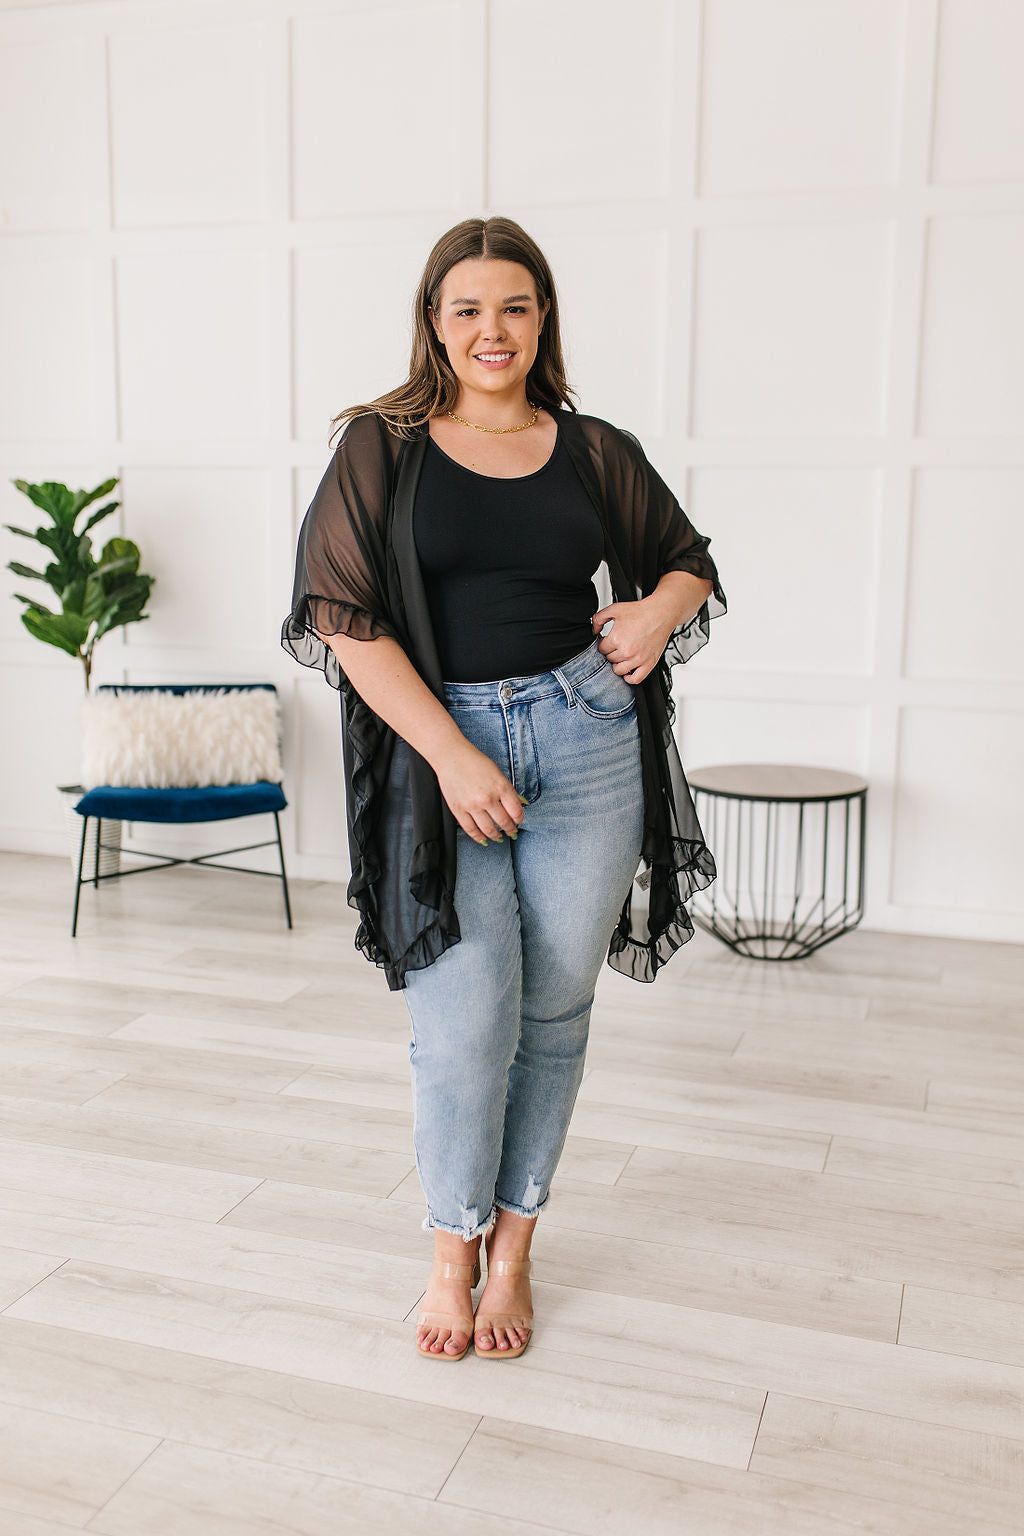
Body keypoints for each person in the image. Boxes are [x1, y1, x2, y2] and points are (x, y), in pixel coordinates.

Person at [281, 216, 727, 1362]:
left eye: (514, 307)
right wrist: (451, 753)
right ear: (434, 322)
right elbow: (343, 618)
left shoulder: (592, 449)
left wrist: (654, 613)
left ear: (542, 320)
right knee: (463, 1023)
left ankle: (515, 1246)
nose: (493, 329)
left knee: (554, 1012)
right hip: (447, 754)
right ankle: (451, 1251)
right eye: (468, 308)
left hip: (588, 739)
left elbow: (688, 561)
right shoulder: (381, 446)